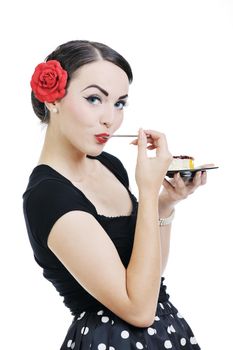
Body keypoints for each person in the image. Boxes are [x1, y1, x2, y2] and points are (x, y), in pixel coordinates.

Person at [23, 40, 206, 350]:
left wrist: (164, 203)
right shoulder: (48, 197)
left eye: (120, 103)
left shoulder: (109, 164)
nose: (110, 118)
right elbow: (138, 310)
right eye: (95, 99)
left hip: (166, 335)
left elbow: (146, 277)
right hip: (108, 341)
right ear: (52, 99)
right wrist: (147, 193)